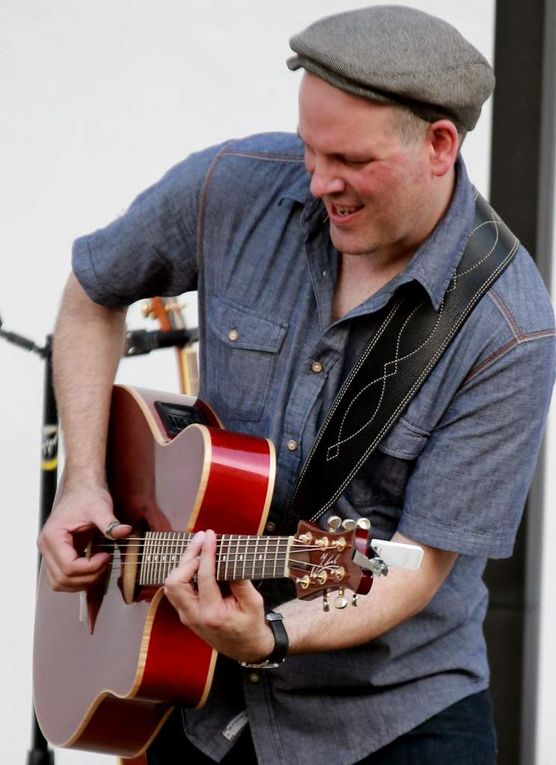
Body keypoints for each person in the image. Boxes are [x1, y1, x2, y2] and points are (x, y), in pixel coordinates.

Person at [38, 6, 555, 765]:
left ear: (440, 145)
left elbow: (411, 567)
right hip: (192, 702)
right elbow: (91, 293)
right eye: (311, 149)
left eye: (348, 159)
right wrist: (82, 482)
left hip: (392, 721)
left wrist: (272, 633)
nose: (318, 182)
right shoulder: (232, 186)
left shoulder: (508, 329)